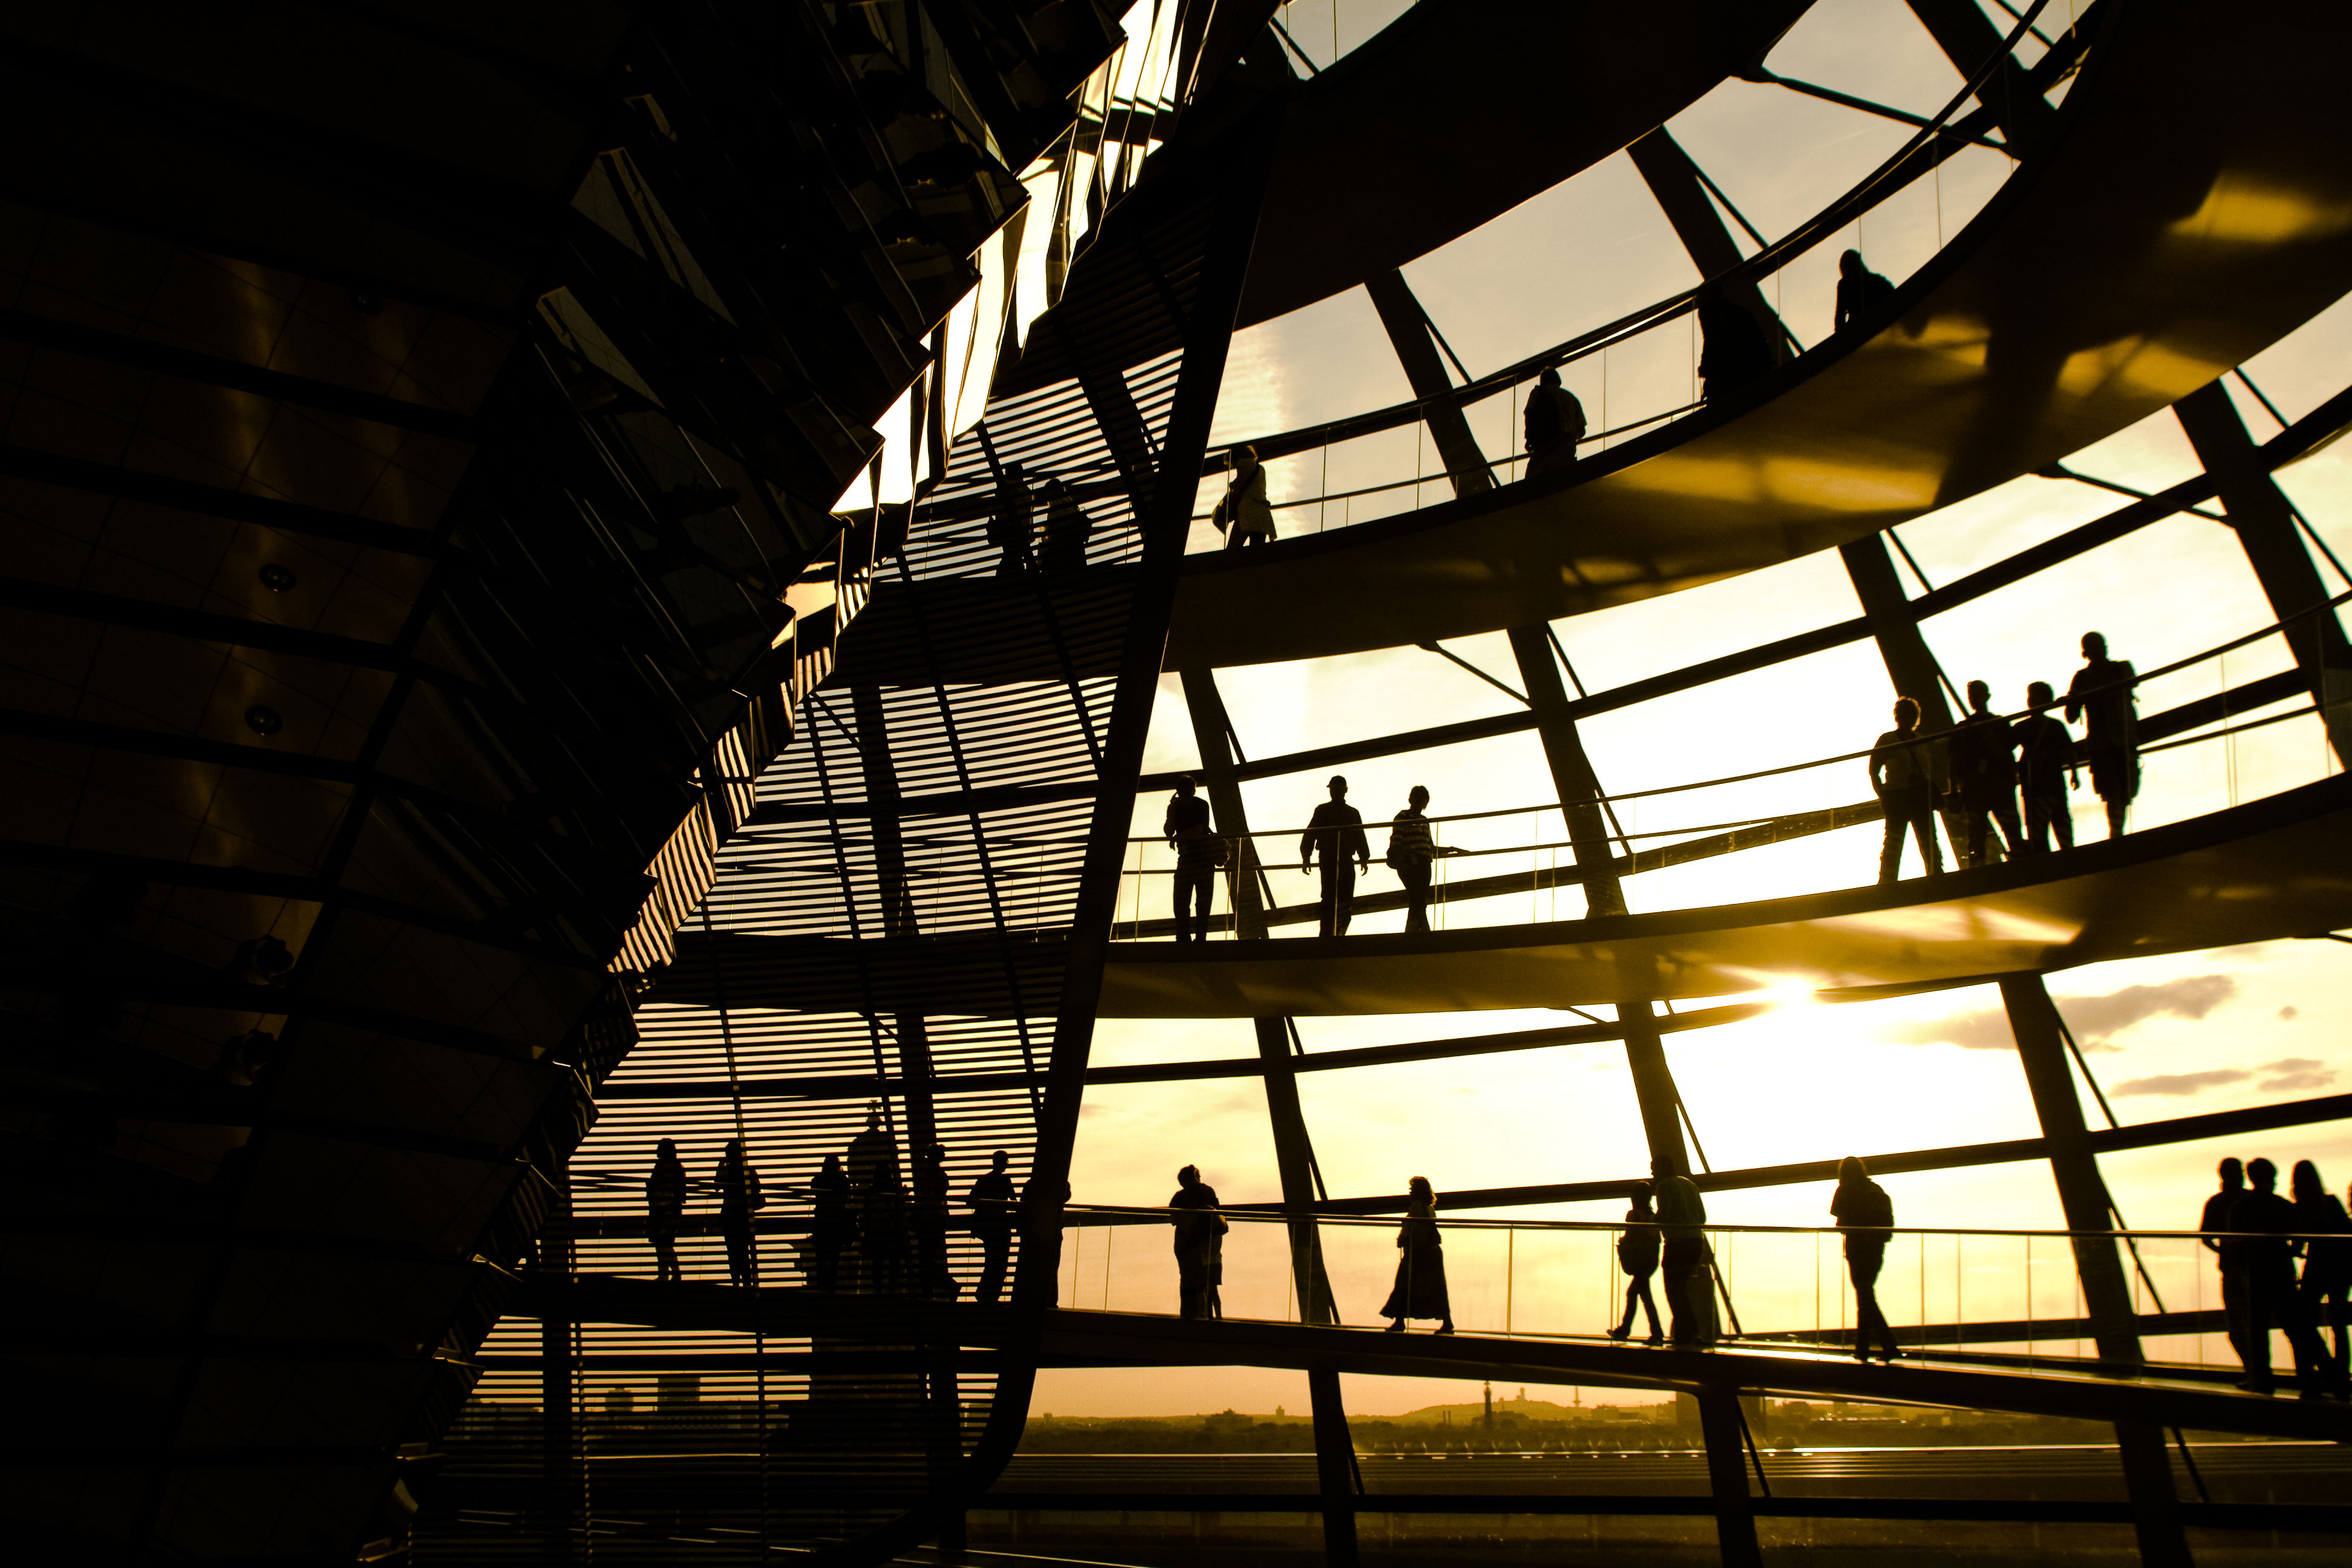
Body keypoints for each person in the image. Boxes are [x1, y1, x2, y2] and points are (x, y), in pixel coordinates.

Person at [2230, 1157, 2331, 1395]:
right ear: (2272, 1178)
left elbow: (2233, 1242)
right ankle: (2316, 1379)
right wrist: (2288, 1252)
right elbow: (2298, 1241)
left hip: (2255, 1275)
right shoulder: (2283, 1206)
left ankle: (2263, 1381)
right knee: (2297, 1329)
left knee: (2257, 1330)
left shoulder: (2240, 1208)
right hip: (2281, 1274)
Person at [2064, 632, 2138, 838]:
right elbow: (2071, 715)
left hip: (2117, 740)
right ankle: (2116, 831)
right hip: (2105, 743)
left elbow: (2071, 716)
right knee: (2113, 791)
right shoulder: (2085, 678)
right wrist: (2075, 699)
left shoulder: (2119, 669)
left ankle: (2116, 831)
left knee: (2120, 791)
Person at [1831, 1156, 1901, 1364]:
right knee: (1866, 1296)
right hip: (1875, 1250)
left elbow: (1835, 1211)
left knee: (1864, 1297)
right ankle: (1881, 1346)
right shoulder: (1876, 1191)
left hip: (1856, 1248)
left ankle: (1869, 1348)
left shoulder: (1847, 1190)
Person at [1869, 696, 1945, 883]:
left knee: (1897, 842)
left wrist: (1883, 794)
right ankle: (1936, 878)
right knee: (1925, 840)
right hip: (1907, 795)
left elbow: (1874, 770)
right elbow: (1873, 771)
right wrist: (1884, 795)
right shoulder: (1917, 740)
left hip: (1901, 795)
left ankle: (1888, 881)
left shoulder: (1891, 739)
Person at [2291, 1160, 2351, 1396]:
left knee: (2303, 1321)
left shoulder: (2300, 1208)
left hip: (2316, 1267)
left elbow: (2297, 1245)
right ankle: (2341, 1379)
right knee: (2339, 1325)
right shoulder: (2331, 1202)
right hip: (2340, 1269)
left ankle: (2317, 1374)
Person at [1949, 679, 2022, 867]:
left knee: (1979, 830)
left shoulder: (1966, 728)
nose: (1974, 699)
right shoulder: (1998, 724)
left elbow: (1954, 761)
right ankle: (2019, 861)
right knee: (2004, 827)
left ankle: (1980, 865)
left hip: (1981, 785)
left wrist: (1955, 790)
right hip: (1993, 784)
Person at [1387, 785, 1466, 934]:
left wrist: (1451, 849)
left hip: (1424, 864)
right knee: (1419, 898)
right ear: (1411, 800)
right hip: (1411, 863)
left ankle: (1415, 931)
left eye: (1423, 800)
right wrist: (1404, 863)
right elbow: (1396, 843)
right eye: (1418, 798)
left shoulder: (1424, 821)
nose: (1420, 803)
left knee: (1419, 899)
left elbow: (1430, 847)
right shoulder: (1403, 817)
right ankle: (1420, 932)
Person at [1653, 1158, 1716, 1347]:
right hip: (1695, 1242)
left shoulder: (1664, 1186)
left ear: (1662, 1170)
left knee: (1674, 1290)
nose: (1653, 1175)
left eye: (1654, 1170)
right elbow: (1702, 1216)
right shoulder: (1690, 1185)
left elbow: (1666, 1215)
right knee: (1683, 1289)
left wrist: (1651, 1221)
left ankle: (1687, 1332)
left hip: (1677, 1243)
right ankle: (1691, 1331)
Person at [1380, 1175, 1454, 1333]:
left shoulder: (1416, 1206)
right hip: (1432, 1253)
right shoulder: (1429, 1207)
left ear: (1417, 1192)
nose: (1410, 1192)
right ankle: (1447, 1323)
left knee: (1403, 1284)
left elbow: (1410, 1227)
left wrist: (1401, 1240)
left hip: (1419, 1253)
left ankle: (1399, 1322)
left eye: (1412, 1189)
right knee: (1436, 1288)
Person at [2010, 681, 2077, 854]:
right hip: (2050, 781)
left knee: (2038, 827)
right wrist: (2074, 773)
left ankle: (2043, 858)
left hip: (2035, 782)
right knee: (2060, 821)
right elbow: (2069, 750)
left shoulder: (2022, 727)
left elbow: (2006, 747)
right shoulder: (2055, 726)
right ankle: (2068, 856)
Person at [1301, 774, 1371, 938]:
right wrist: (1364, 857)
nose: (1335, 792)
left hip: (1333, 857)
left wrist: (1306, 856)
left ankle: (1329, 934)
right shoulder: (1349, 813)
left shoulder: (1324, 811)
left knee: (1332, 897)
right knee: (1341, 898)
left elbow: (1310, 834)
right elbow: (1359, 836)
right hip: (1338, 857)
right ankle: (1336, 933)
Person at [2200, 1157, 2252, 1374]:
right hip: (2254, 1267)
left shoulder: (2216, 1202)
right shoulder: (2250, 1199)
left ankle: (2253, 1370)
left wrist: (2223, 1250)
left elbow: (2205, 1237)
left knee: (2238, 1327)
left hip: (2231, 1269)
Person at [1165, 777, 1224, 942]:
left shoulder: (1198, 805)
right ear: (1194, 790)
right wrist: (1173, 813)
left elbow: (1195, 830)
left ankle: (1187, 937)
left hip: (1191, 859)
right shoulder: (1200, 805)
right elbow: (1173, 830)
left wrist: (1177, 836)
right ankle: (1197, 938)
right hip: (1201, 860)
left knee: (1184, 901)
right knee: (1198, 902)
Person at [1607, 1183, 1665, 1345]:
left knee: (1642, 1295)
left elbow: (1631, 1235)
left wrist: (1623, 1243)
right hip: (1649, 1260)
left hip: (1639, 1261)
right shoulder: (1652, 1215)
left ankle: (1655, 1333)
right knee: (1635, 1293)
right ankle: (1628, 1330)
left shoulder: (1633, 1215)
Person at [1695, 281, 1774, 402]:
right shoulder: (1736, 315)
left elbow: (1714, 345)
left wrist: (1708, 371)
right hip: (1747, 378)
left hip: (1739, 380)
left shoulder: (1725, 320)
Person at [1169, 1165, 1226, 1319]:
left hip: (1186, 1243)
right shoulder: (1208, 1192)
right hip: (1205, 1242)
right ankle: (1207, 1315)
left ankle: (1189, 1315)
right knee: (1206, 1283)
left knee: (1189, 1279)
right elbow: (1216, 1215)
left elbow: (1173, 1219)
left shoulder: (1179, 1196)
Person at [967, 1149, 1018, 1306]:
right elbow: (1015, 1203)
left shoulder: (983, 1180)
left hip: (987, 1227)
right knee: (1000, 1263)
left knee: (991, 1260)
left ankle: (984, 1293)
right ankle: (989, 1295)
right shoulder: (1005, 1181)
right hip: (1000, 1225)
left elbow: (970, 1201)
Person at [714, 1138, 765, 1289]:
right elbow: (757, 1189)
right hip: (743, 1214)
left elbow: (717, 1186)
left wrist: (721, 1165)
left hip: (730, 1213)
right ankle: (747, 1282)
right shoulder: (748, 1169)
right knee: (743, 1251)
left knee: (733, 1250)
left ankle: (736, 1281)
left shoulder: (727, 1169)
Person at [913, 1140, 960, 1299]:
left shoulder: (927, 1174)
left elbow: (926, 1197)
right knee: (928, 1256)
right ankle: (940, 1287)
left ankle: (943, 1286)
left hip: (928, 1218)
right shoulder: (942, 1175)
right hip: (939, 1217)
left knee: (925, 1257)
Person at [860, 1155, 913, 1294]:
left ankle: (878, 1290)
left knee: (878, 1262)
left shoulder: (871, 1191)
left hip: (876, 1230)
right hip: (891, 1230)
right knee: (893, 1261)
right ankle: (891, 1289)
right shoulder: (894, 1190)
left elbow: (866, 1212)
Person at [1016, 1172, 1070, 1306]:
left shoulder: (1031, 1184)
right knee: (1052, 1266)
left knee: (1032, 1265)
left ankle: (1031, 1299)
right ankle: (1050, 1300)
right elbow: (1066, 1196)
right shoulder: (1061, 1184)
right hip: (1054, 1232)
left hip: (1033, 1232)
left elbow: (1024, 1204)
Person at [1523, 367, 1586, 478]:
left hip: (1546, 444)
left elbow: (1530, 414)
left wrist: (1529, 438)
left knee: (1532, 479)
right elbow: (1582, 429)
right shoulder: (1571, 397)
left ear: (1543, 381)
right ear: (1558, 380)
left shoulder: (1538, 393)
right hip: (1568, 447)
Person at [809, 1152, 854, 1292]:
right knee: (834, 1257)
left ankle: (822, 1285)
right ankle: (831, 1286)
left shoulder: (818, 1179)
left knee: (821, 1257)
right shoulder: (842, 1180)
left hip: (822, 1222)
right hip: (837, 1222)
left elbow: (814, 1188)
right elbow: (847, 1197)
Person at [1217, 445, 1276, 548]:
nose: (1234, 468)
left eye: (1233, 465)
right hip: (1262, 512)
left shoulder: (1244, 463)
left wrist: (1232, 485)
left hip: (1247, 511)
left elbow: (1240, 483)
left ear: (1236, 458)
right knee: (1258, 546)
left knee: (1233, 547)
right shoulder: (1261, 468)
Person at [646, 1138, 687, 1284]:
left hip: (664, 1209)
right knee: (663, 1243)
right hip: (667, 1209)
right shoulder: (676, 1167)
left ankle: (670, 1274)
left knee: (663, 1243)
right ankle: (671, 1273)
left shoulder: (664, 1167)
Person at [987, 461, 1034, 576]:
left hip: (1008, 533)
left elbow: (994, 508)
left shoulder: (1005, 490)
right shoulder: (1028, 493)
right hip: (1023, 535)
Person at [1833, 249, 1896, 333]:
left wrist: (1840, 338)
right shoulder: (1877, 280)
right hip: (1883, 324)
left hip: (1858, 331)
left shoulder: (1844, 284)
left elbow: (1840, 315)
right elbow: (1895, 298)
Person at [1037, 476, 1091, 572]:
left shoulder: (1056, 504)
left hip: (1062, 552)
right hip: (1077, 552)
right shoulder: (1071, 504)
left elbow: (1053, 529)